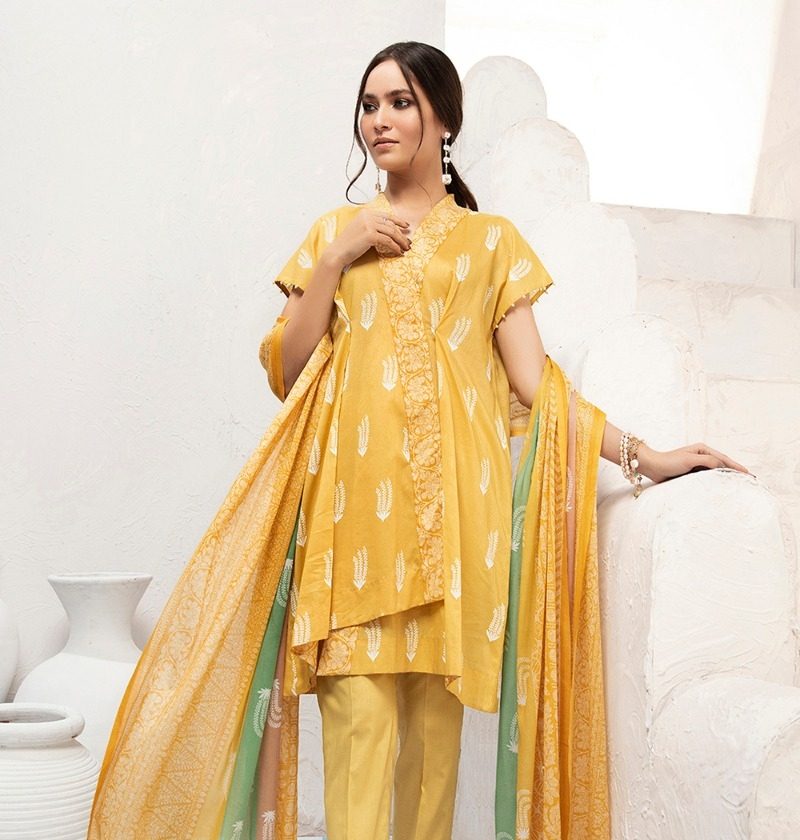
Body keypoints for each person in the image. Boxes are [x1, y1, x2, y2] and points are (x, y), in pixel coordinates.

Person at [87, 41, 751, 840]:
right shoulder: (335, 233)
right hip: (352, 541)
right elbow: (287, 370)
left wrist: (648, 457)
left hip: (456, 546)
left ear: (443, 119)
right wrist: (338, 256)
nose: (379, 120)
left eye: (399, 102)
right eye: (369, 105)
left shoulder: (491, 244)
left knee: (433, 782)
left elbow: (538, 388)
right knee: (357, 765)